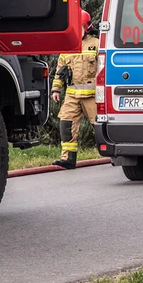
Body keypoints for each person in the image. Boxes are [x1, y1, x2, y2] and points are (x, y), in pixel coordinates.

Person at [51, 10, 99, 169]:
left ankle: (113, 153)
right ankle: (68, 159)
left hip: (93, 96)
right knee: (66, 124)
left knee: (101, 125)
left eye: (79, 27)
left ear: (87, 27)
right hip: (72, 96)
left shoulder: (96, 44)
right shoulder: (68, 46)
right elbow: (60, 70)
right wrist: (56, 90)